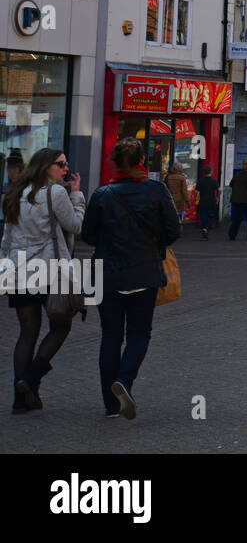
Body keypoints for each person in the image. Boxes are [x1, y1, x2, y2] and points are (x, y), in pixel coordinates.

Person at [81, 137, 180, 419]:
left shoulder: (102, 194)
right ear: (142, 162)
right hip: (143, 272)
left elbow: (88, 235)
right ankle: (124, 381)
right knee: (139, 333)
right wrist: (154, 241)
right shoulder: (156, 190)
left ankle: (110, 405)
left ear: (115, 161)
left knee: (110, 335)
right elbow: (173, 231)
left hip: (107, 276)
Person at [2, 147, 85, 413]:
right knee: (61, 326)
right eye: (60, 164)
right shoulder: (57, 192)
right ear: (44, 167)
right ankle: (31, 378)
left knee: (27, 333)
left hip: (18, 270)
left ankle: (20, 400)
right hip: (47, 270)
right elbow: (75, 225)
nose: (65, 169)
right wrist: (78, 196)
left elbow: (7, 238)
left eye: (65, 164)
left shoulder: (15, 193)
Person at [195, 165, 219, 240]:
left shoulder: (200, 181)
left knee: (203, 216)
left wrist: (198, 197)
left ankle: (204, 228)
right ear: (211, 172)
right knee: (212, 216)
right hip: (211, 201)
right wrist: (217, 198)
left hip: (202, 201)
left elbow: (196, 192)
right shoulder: (213, 181)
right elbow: (219, 190)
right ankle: (207, 228)